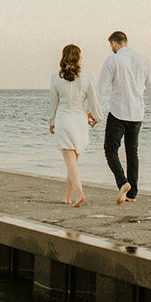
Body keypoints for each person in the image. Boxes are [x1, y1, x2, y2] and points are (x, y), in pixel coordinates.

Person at [96, 31, 151, 204]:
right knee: (132, 153)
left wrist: (92, 111)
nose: (111, 48)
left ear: (115, 43)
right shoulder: (143, 60)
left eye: (111, 45)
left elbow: (101, 88)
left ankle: (123, 182)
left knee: (110, 150)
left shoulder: (113, 60)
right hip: (137, 114)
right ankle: (132, 194)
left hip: (118, 112)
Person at [48, 44, 103, 207]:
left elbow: (53, 103)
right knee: (73, 164)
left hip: (64, 120)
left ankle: (79, 193)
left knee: (70, 163)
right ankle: (68, 197)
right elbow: (94, 102)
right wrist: (97, 118)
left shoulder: (55, 78)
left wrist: (51, 121)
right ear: (78, 58)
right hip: (80, 121)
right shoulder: (86, 78)